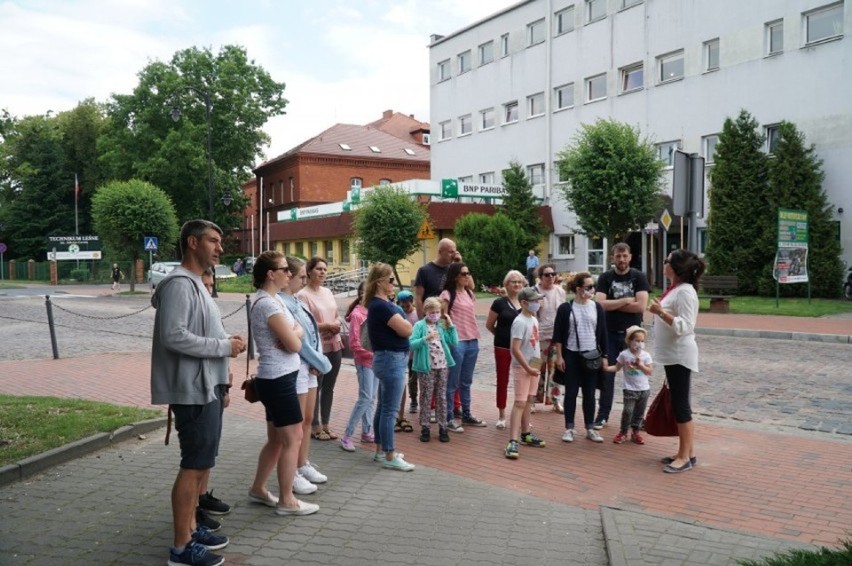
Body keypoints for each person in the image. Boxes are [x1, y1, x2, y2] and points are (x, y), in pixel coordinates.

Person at [150, 219, 246, 566]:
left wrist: (226, 352)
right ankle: (180, 549)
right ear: (192, 242)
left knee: (202, 463)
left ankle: (191, 528)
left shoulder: (196, 284)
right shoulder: (179, 285)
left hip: (209, 387)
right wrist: (223, 346)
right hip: (193, 391)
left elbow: (202, 334)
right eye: (213, 240)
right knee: (192, 466)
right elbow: (173, 336)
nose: (220, 247)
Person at [247, 251, 319, 517]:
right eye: (284, 269)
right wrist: (294, 334)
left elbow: (296, 332)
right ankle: (287, 500)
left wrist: (294, 332)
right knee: (293, 438)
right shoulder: (268, 304)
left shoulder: (273, 300)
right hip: (278, 379)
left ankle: (258, 488)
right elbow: (294, 344)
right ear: (271, 274)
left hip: (277, 377)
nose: (289, 274)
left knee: (277, 440)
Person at [648, 248, 705, 474]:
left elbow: (685, 326)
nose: (664, 264)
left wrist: (661, 313)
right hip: (673, 355)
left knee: (681, 406)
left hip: (680, 355)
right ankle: (686, 452)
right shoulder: (676, 289)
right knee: (678, 403)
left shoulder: (685, 292)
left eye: (667, 261)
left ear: (675, 267)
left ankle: (684, 457)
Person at [279, 256, 332, 495]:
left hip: (310, 364)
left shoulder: (294, 300)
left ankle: (303, 462)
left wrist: (317, 360)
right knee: (297, 424)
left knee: (309, 418)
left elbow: (310, 333)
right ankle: (294, 471)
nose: (304, 279)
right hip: (299, 365)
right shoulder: (284, 301)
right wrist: (317, 360)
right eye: (301, 275)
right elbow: (297, 339)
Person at [593, 243, 651, 431]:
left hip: (633, 337)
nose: (622, 260)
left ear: (630, 257)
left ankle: (636, 420)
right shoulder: (605, 277)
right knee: (607, 375)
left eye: (625, 256)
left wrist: (613, 304)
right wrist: (626, 300)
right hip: (609, 333)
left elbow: (641, 306)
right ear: (612, 258)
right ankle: (602, 416)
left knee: (637, 375)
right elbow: (599, 304)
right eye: (618, 256)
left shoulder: (638, 277)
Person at [365, 263, 415, 471]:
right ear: (380, 282)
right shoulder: (382, 306)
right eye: (391, 280)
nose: (393, 284)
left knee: (383, 407)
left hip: (388, 359)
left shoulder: (381, 304)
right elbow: (407, 329)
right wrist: (405, 321)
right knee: (390, 411)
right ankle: (389, 454)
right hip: (391, 359)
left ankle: (380, 451)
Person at [194, 268, 233, 533]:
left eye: (211, 285)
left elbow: (220, 347)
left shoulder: (212, 310)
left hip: (217, 382)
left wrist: (226, 386)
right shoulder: (194, 313)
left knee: (211, 448)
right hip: (200, 386)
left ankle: (203, 494)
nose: (209, 290)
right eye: (204, 285)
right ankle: (194, 507)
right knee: (199, 451)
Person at [552, 272, 610, 444]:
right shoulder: (566, 308)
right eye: (588, 287)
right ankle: (569, 428)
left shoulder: (596, 307)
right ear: (578, 289)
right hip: (571, 354)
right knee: (571, 392)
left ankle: (590, 428)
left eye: (593, 286)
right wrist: (559, 356)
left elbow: (602, 334)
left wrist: (605, 356)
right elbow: (559, 335)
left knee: (590, 393)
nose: (592, 290)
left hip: (591, 355)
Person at [297, 257, 344, 441]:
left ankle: (326, 423)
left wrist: (336, 324)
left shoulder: (328, 292)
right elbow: (306, 323)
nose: (323, 272)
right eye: (319, 269)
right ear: (309, 271)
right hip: (317, 347)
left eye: (325, 269)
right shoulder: (303, 295)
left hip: (335, 343)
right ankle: (314, 424)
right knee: (316, 385)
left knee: (330, 387)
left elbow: (338, 315)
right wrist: (327, 326)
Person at [440, 262, 486, 432]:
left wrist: (462, 262)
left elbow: (471, 284)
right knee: (452, 381)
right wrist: (446, 340)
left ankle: (466, 414)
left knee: (466, 381)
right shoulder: (447, 294)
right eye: (464, 274)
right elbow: (442, 318)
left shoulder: (468, 292)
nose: (467, 276)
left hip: (472, 340)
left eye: (468, 273)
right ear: (455, 276)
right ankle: (448, 417)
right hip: (457, 341)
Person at [504, 287, 547, 459]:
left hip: (533, 364)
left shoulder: (533, 319)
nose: (538, 303)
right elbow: (515, 349)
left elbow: (534, 344)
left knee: (530, 400)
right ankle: (513, 440)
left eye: (538, 300)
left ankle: (526, 433)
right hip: (522, 367)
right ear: (524, 303)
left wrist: (536, 365)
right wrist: (528, 368)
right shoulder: (520, 321)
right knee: (520, 403)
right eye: (535, 300)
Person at [409, 296, 457, 443]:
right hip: (426, 367)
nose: (435, 314)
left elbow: (454, 342)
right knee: (426, 396)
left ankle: (443, 427)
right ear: (425, 311)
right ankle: (425, 427)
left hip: (442, 365)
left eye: (437, 312)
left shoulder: (441, 325)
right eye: (432, 312)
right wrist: (426, 338)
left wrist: (451, 326)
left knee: (441, 396)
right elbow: (411, 344)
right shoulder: (419, 326)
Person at [485, 270, 525, 429]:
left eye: (519, 282)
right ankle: (502, 415)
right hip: (502, 347)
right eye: (513, 281)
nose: (517, 284)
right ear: (506, 284)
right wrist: (501, 336)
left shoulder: (525, 302)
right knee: (502, 380)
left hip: (522, 349)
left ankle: (522, 416)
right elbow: (489, 325)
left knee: (522, 382)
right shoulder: (499, 303)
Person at [340, 282, 377, 451]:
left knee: (371, 398)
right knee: (365, 398)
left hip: (375, 362)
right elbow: (355, 344)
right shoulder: (358, 314)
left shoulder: (373, 310)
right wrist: (372, 355)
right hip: (364, 362)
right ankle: (347, 435)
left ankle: (367, 431)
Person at [606, 325, 653, 445]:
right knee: (628, 411)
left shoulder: (646, 355)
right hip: (629, 389)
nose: (640, 343)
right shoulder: (624, 354)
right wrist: (605, 368)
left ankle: (636, 431)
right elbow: (617, 367)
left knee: (639, 412)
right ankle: (623, 431)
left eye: (642, 341)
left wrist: (641, 365)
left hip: (644, 389)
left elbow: (649, 371)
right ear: (629, 341)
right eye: (637, 340)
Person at [531, 263, 566, 415]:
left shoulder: (560, 291)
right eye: (547, 275)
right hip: (538, 338)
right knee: (535, 369)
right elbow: (529, 313)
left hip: (556, 338)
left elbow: (564, 314)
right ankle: (531, 400)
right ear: (540, 277)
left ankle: (555, 400)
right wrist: (535, 306)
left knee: (555, 371)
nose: (551, 277)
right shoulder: (534, 291)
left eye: (553, 274)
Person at [414, 238, 459, 318]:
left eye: (454, 252)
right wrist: (421, 321)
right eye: (450, 252)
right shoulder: (424, 271)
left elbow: (471, 286)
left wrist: (460, 263)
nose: (453, 255)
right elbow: (418, 298)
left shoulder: (453, 270)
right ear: (440, 252)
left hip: (450, 318)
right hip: (432, 317)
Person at [397, 290, 420, 416]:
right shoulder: (400, 314)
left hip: (417, 352)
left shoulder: (417, 314)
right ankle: (414, 400)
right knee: (412, 379)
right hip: (407, 353)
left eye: (407, 304)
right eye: (402, 305)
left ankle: (423, 400)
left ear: (412, 302)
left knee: (419, 377)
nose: (405, 307)